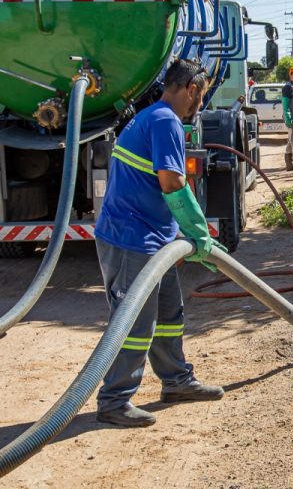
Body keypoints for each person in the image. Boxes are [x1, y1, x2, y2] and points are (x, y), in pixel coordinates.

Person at [93, 59, 227, 427]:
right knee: (134, 323)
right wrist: (200, 233)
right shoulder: (166, 120)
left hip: (154, 239)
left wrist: (179, 235)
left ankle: (176, 381)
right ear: (191, 89)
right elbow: (171, 182)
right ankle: (114, 400)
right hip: (131, 239)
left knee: (168, 315)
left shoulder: (151, 115)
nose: (200, 104)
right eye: (201, 95)